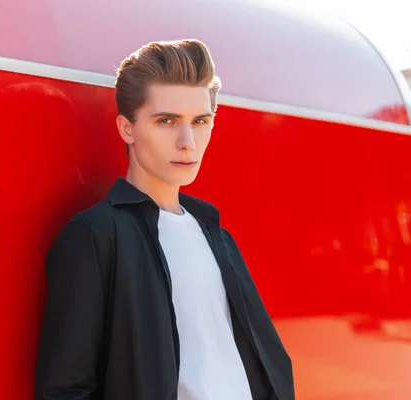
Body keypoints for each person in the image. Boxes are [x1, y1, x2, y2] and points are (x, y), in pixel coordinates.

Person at [35, 39, 295, 400]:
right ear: (127, 129)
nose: (187, 141)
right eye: (167, 121)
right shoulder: (96, 236)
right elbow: (66, 389)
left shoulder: (215, 234)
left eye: (200, 121)